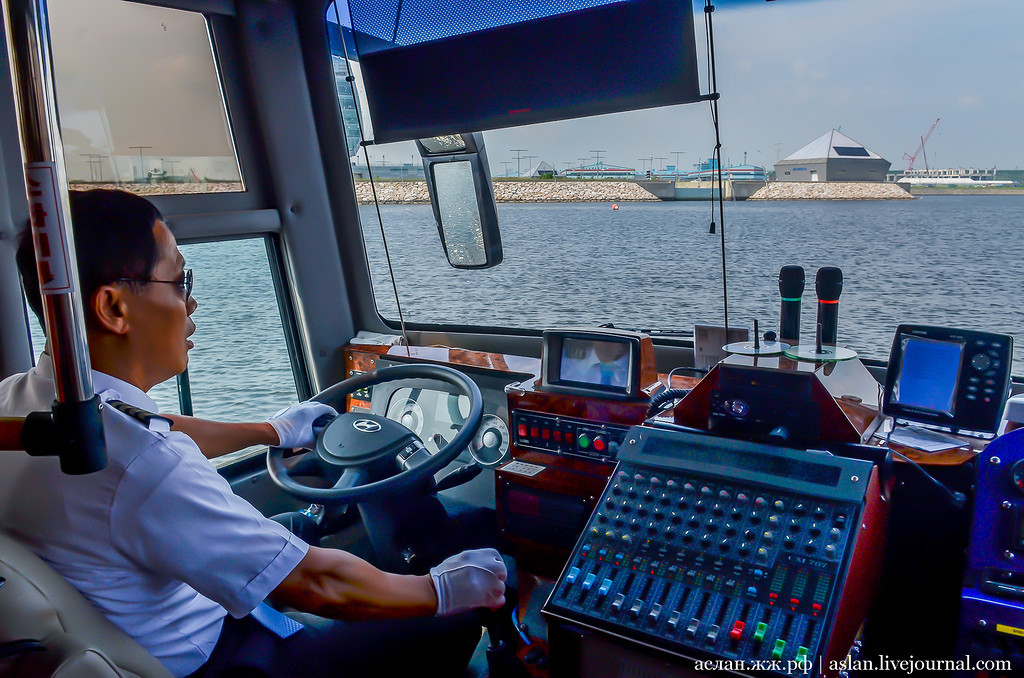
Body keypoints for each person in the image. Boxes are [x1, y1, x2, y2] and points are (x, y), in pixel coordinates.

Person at [0, 189, 506, 677]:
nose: (191, 305)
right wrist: (445, 589)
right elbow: (317, 585)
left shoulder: (21, 413)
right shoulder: (145, 466)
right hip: (236, 659)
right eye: (179, 283)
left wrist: (270, 431)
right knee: (464, 612)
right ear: (113, 308)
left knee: (298, 526)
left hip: (142, 632)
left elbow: (150, 432)